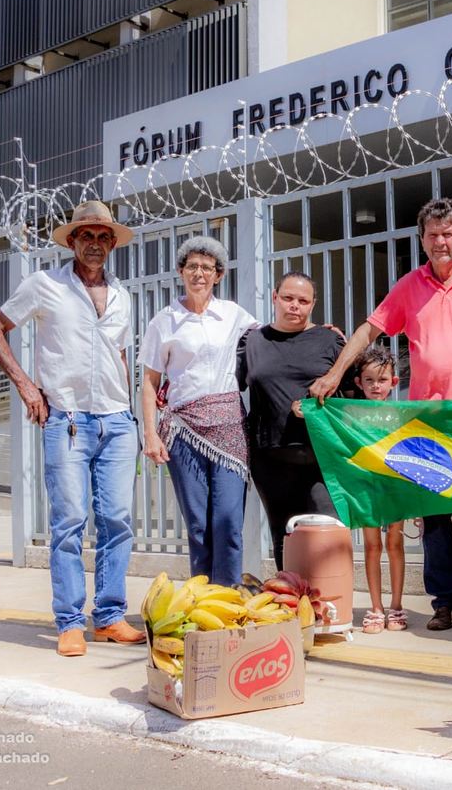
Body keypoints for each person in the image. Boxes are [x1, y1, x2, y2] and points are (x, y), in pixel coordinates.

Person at [310, 197, 452, 633]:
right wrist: (335, 373)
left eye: (448, 233)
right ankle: (443, 601)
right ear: (422, 241)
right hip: (427, 422)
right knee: (434, 513)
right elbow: (371, 329)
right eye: (432, 234)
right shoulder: (409, 285)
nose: (440, 241)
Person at [0, 201, 144, 657]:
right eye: (85, 236)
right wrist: (27, 387)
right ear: (72, 241)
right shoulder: (45, 284)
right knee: (69, 521)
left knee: (117, 521)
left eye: (103, 237)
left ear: (112, 243)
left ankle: (109, 617)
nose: (94, 244)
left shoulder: (123, 294)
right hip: (67, 419)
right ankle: (70, 620)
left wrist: (130, 409)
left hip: (116, 419)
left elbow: (120, 355)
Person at [138, 236, 259, 587]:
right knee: (198, 524)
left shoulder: (234, 315)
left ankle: (229, 597)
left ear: (218, 275)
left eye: (207, 267)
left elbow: (270, 342)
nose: (199, 274)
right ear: (180, 271)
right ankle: (203, 600)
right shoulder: (165, 321)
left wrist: (315, 333)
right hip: (184, 431)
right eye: (192, 266)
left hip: (229, 429)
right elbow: (149, 381)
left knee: (227, 520)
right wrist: (150, 435)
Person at [237, 272, 344, 568]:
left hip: (322, 456)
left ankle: (326, 602)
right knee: (284, 535)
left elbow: (351, 395)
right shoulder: (253, 342)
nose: (294, 305)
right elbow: (228, 385)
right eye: (287, 298)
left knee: (326, 531)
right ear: (274, 297)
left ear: (312, 305)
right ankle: (292, 602)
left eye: (302, 300)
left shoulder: (330, 340)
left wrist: (316, 406)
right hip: (270, 456)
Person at [351, 346, 408, 634]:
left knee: (395, 544)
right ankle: (376, 608)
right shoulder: (351, 413)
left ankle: (396, 605)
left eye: (382, 380)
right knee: (372, 546)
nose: (376, 386)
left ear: (393, 383)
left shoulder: (400, 413)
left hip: (395, 489)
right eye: (370, 380)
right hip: (365, 489)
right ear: (359, 382)